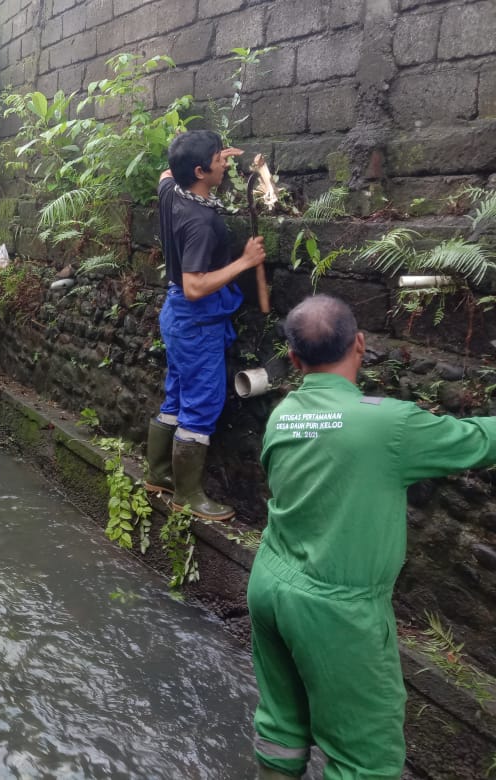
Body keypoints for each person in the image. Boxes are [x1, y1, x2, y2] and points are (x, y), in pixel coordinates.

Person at [249, 294, 496, 779]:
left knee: (281, 727)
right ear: (360, 344)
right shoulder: (390, 425)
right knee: (367, 759)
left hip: (270, 585)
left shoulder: (283, 414)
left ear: (295, 360)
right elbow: (480, 442)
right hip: (337, 608)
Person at [143, 130, 266, 520]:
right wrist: (245, 263)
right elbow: (195, 286)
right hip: (196, 321)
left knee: (177, 397)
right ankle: (187, 496)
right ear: (199, 171)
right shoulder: (199, 221)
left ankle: (159, 474)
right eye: (219, 159)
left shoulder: (172, 191)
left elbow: (166, 172)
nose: (226, 162)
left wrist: (205, 153)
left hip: (176, 317)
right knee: (202, 404)